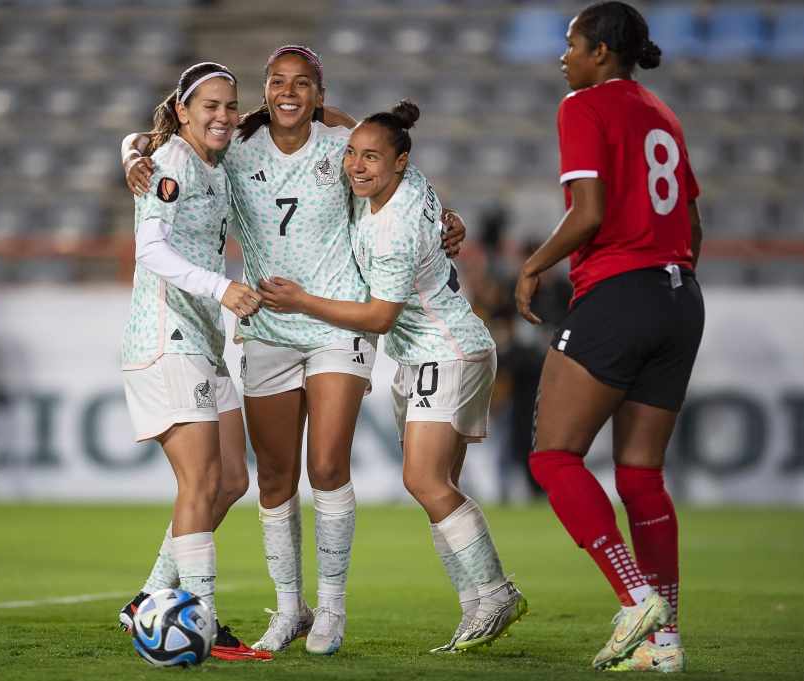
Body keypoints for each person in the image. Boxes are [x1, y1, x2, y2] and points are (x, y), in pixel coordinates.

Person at [121, 45, 466, 656]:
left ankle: (330, 609)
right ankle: (288, 612)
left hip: (336, 323)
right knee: (272, 477)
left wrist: (443, 217)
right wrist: (133, 151)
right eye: (276, 82)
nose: (288, 92)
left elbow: (393, 169)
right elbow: (171, 143)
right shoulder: (234, 152)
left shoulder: (342, 147)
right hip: (266, 332)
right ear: (263, 90)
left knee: (327, 465)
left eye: (302, 83)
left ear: (319, 91)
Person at [258, 101, 526, 654]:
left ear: (400, 162)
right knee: (440, 488)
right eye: (353, 154)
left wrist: (302, 301)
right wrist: (310, 108)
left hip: (442, 352)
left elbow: (380, 317)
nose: (356, 165)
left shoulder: (393, 228)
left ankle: (496, 591)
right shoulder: (406, 181)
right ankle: (476, 606)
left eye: (371, 158)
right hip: (443, 349)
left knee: (424, 482)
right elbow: (362, 132)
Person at [514, 2, 704, 672]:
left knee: (553, 455)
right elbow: (691, 220)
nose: (563, 57)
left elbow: (587, 212)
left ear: (600, 52)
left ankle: (633, 596)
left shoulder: (584, 106)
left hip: (619, 291)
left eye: (571, 45)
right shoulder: (662, 113)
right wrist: (664, 283)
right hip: (680, 296)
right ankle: (665, 639)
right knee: (641, 471)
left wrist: (533, 264)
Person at [112, 61, 271, 662]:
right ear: (183, 110)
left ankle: (149, 598)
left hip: (200, 340)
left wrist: (129, 149)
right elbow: (149, 249)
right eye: (210, 105)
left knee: (231, 479)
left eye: (230, 106)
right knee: (201, 481)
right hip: (164, 339)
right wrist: (221, 287)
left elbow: (134, 140)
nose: (224, 116)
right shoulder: (174, 163)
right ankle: (203, 623)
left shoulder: (208, 160)